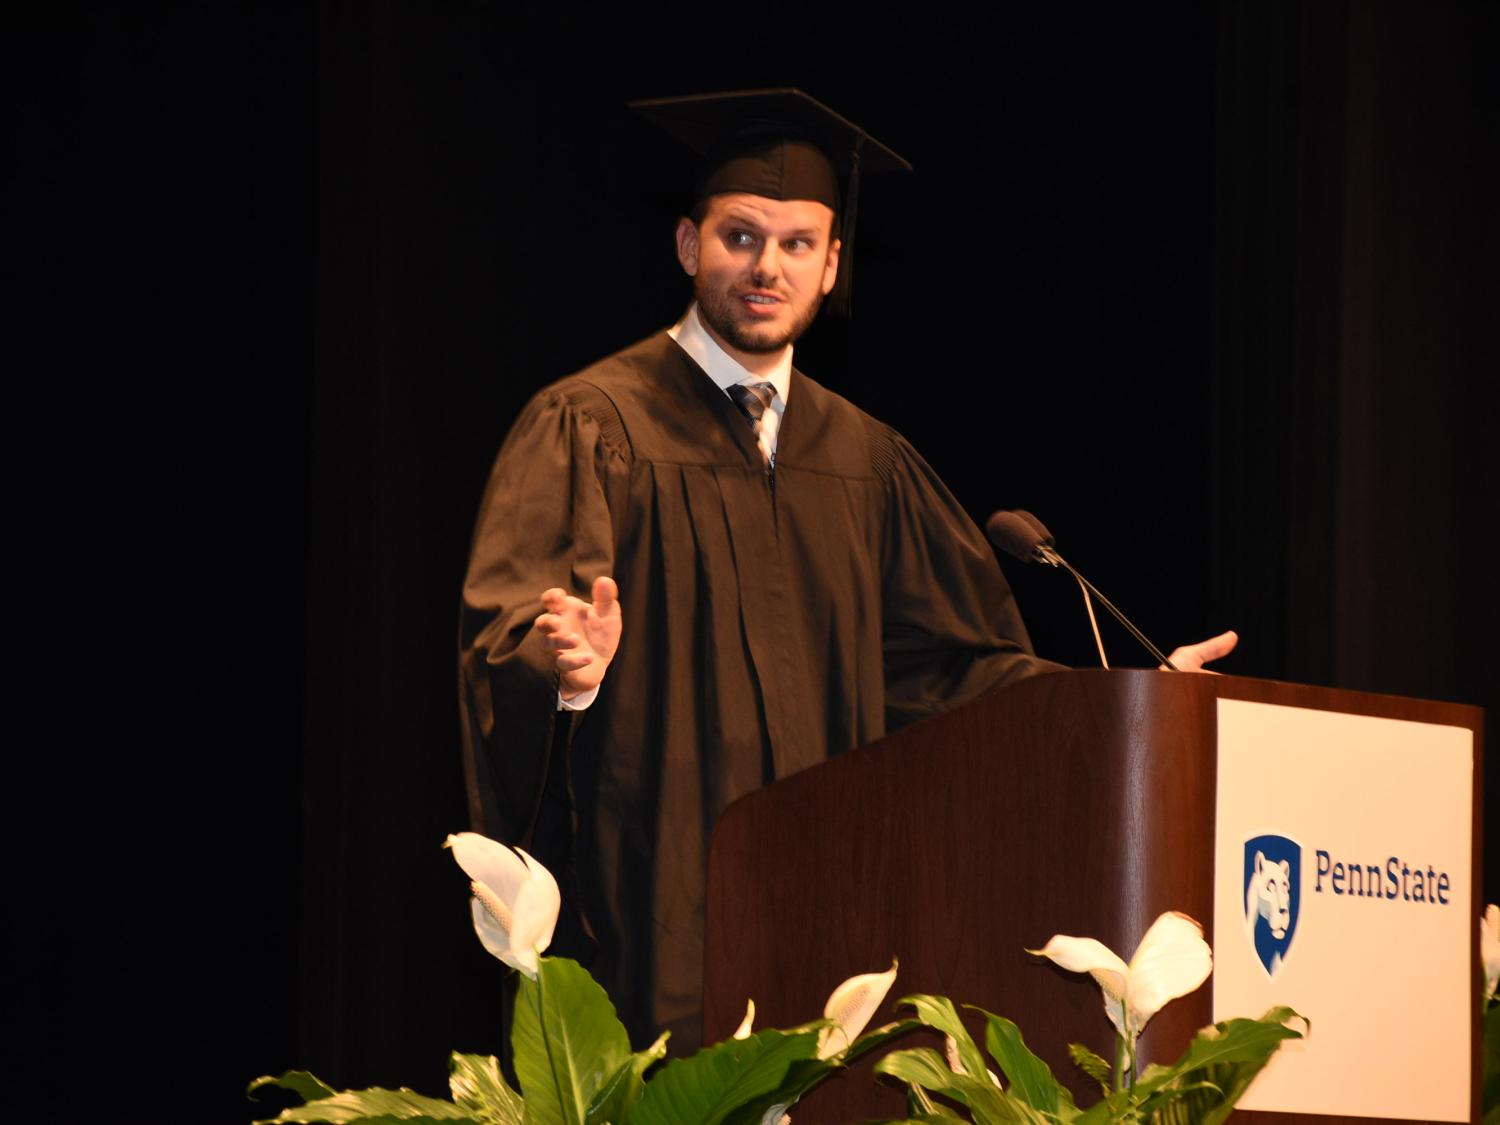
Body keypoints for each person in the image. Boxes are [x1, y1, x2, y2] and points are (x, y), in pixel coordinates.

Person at [458, 90, 1235, 1050]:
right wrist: (564, 671)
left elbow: (954, 675)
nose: (766, 267)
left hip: (836, 916)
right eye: (741, 236)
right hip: (656, 917)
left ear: (831, 265)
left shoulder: (868, 462)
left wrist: (1126, 705)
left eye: (797, 244)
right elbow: (505, 642)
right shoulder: (591, 426)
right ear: (689, 245)